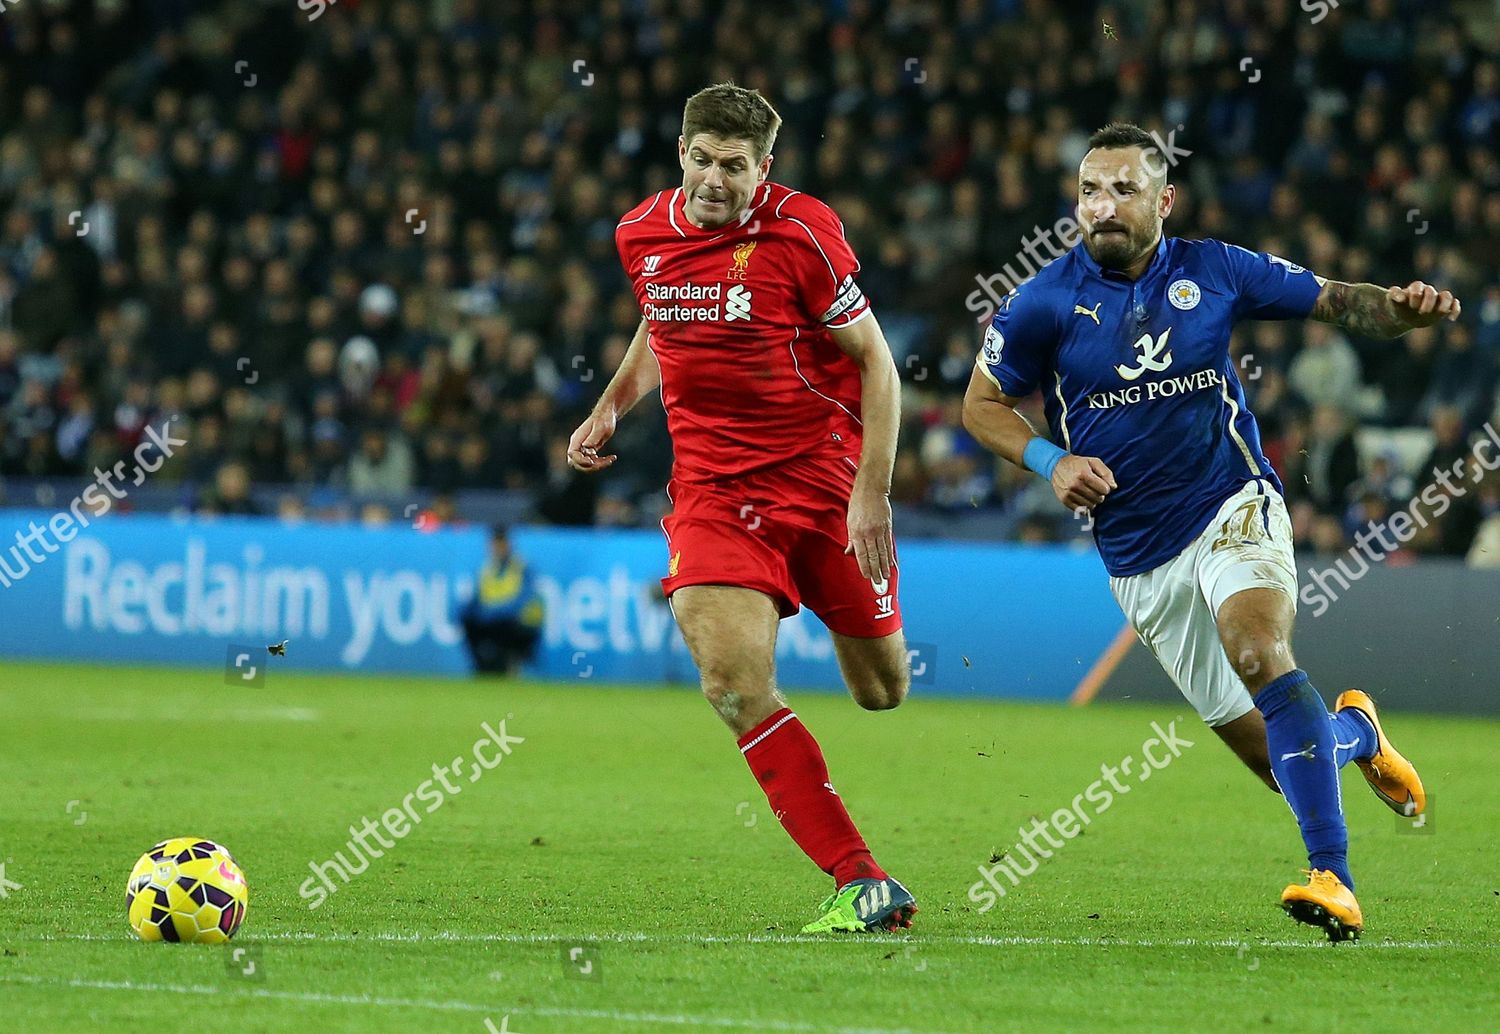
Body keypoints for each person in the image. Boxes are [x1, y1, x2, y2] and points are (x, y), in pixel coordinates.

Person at [962, 122, 1457, 942]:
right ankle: (1356, 733)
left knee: (1258, 649)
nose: (1103, 206)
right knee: (1278, 762)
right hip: (1138, 554)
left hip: (1231, 500)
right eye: (1090, 191)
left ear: (1165, 200)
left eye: (1124, 190)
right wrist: (1051, 460)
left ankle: (1333, 878)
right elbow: (981, 405)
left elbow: (1338, 299)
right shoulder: (1042, 300)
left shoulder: (1216, 269)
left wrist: (1397, 314)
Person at [567, 83, 915, 933]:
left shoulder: (803, 233)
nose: (715, 180)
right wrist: (612, 404)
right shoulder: (639, 233)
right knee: (730, 683)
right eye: (701, 160)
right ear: (680, 153)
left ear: (766, 167)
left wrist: (871, 493)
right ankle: (861, 880)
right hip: (715, 494)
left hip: (824, 483)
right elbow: (663, 321)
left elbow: (876, 361)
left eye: (734, 165)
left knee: (882, 690)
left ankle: (834, 599)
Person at [458, 526, 543, 675]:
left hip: (520, 621)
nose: (497, 548)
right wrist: (466, 612)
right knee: (468, 621)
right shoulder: (487, 568)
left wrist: (493, 612)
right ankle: (481, 665)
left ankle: (507, 664)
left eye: (501, 544)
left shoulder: (522, 567)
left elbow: (524, 599)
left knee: (503, 625)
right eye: (495, 544)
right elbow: (476, 598)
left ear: (508, 544)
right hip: (494, 620)